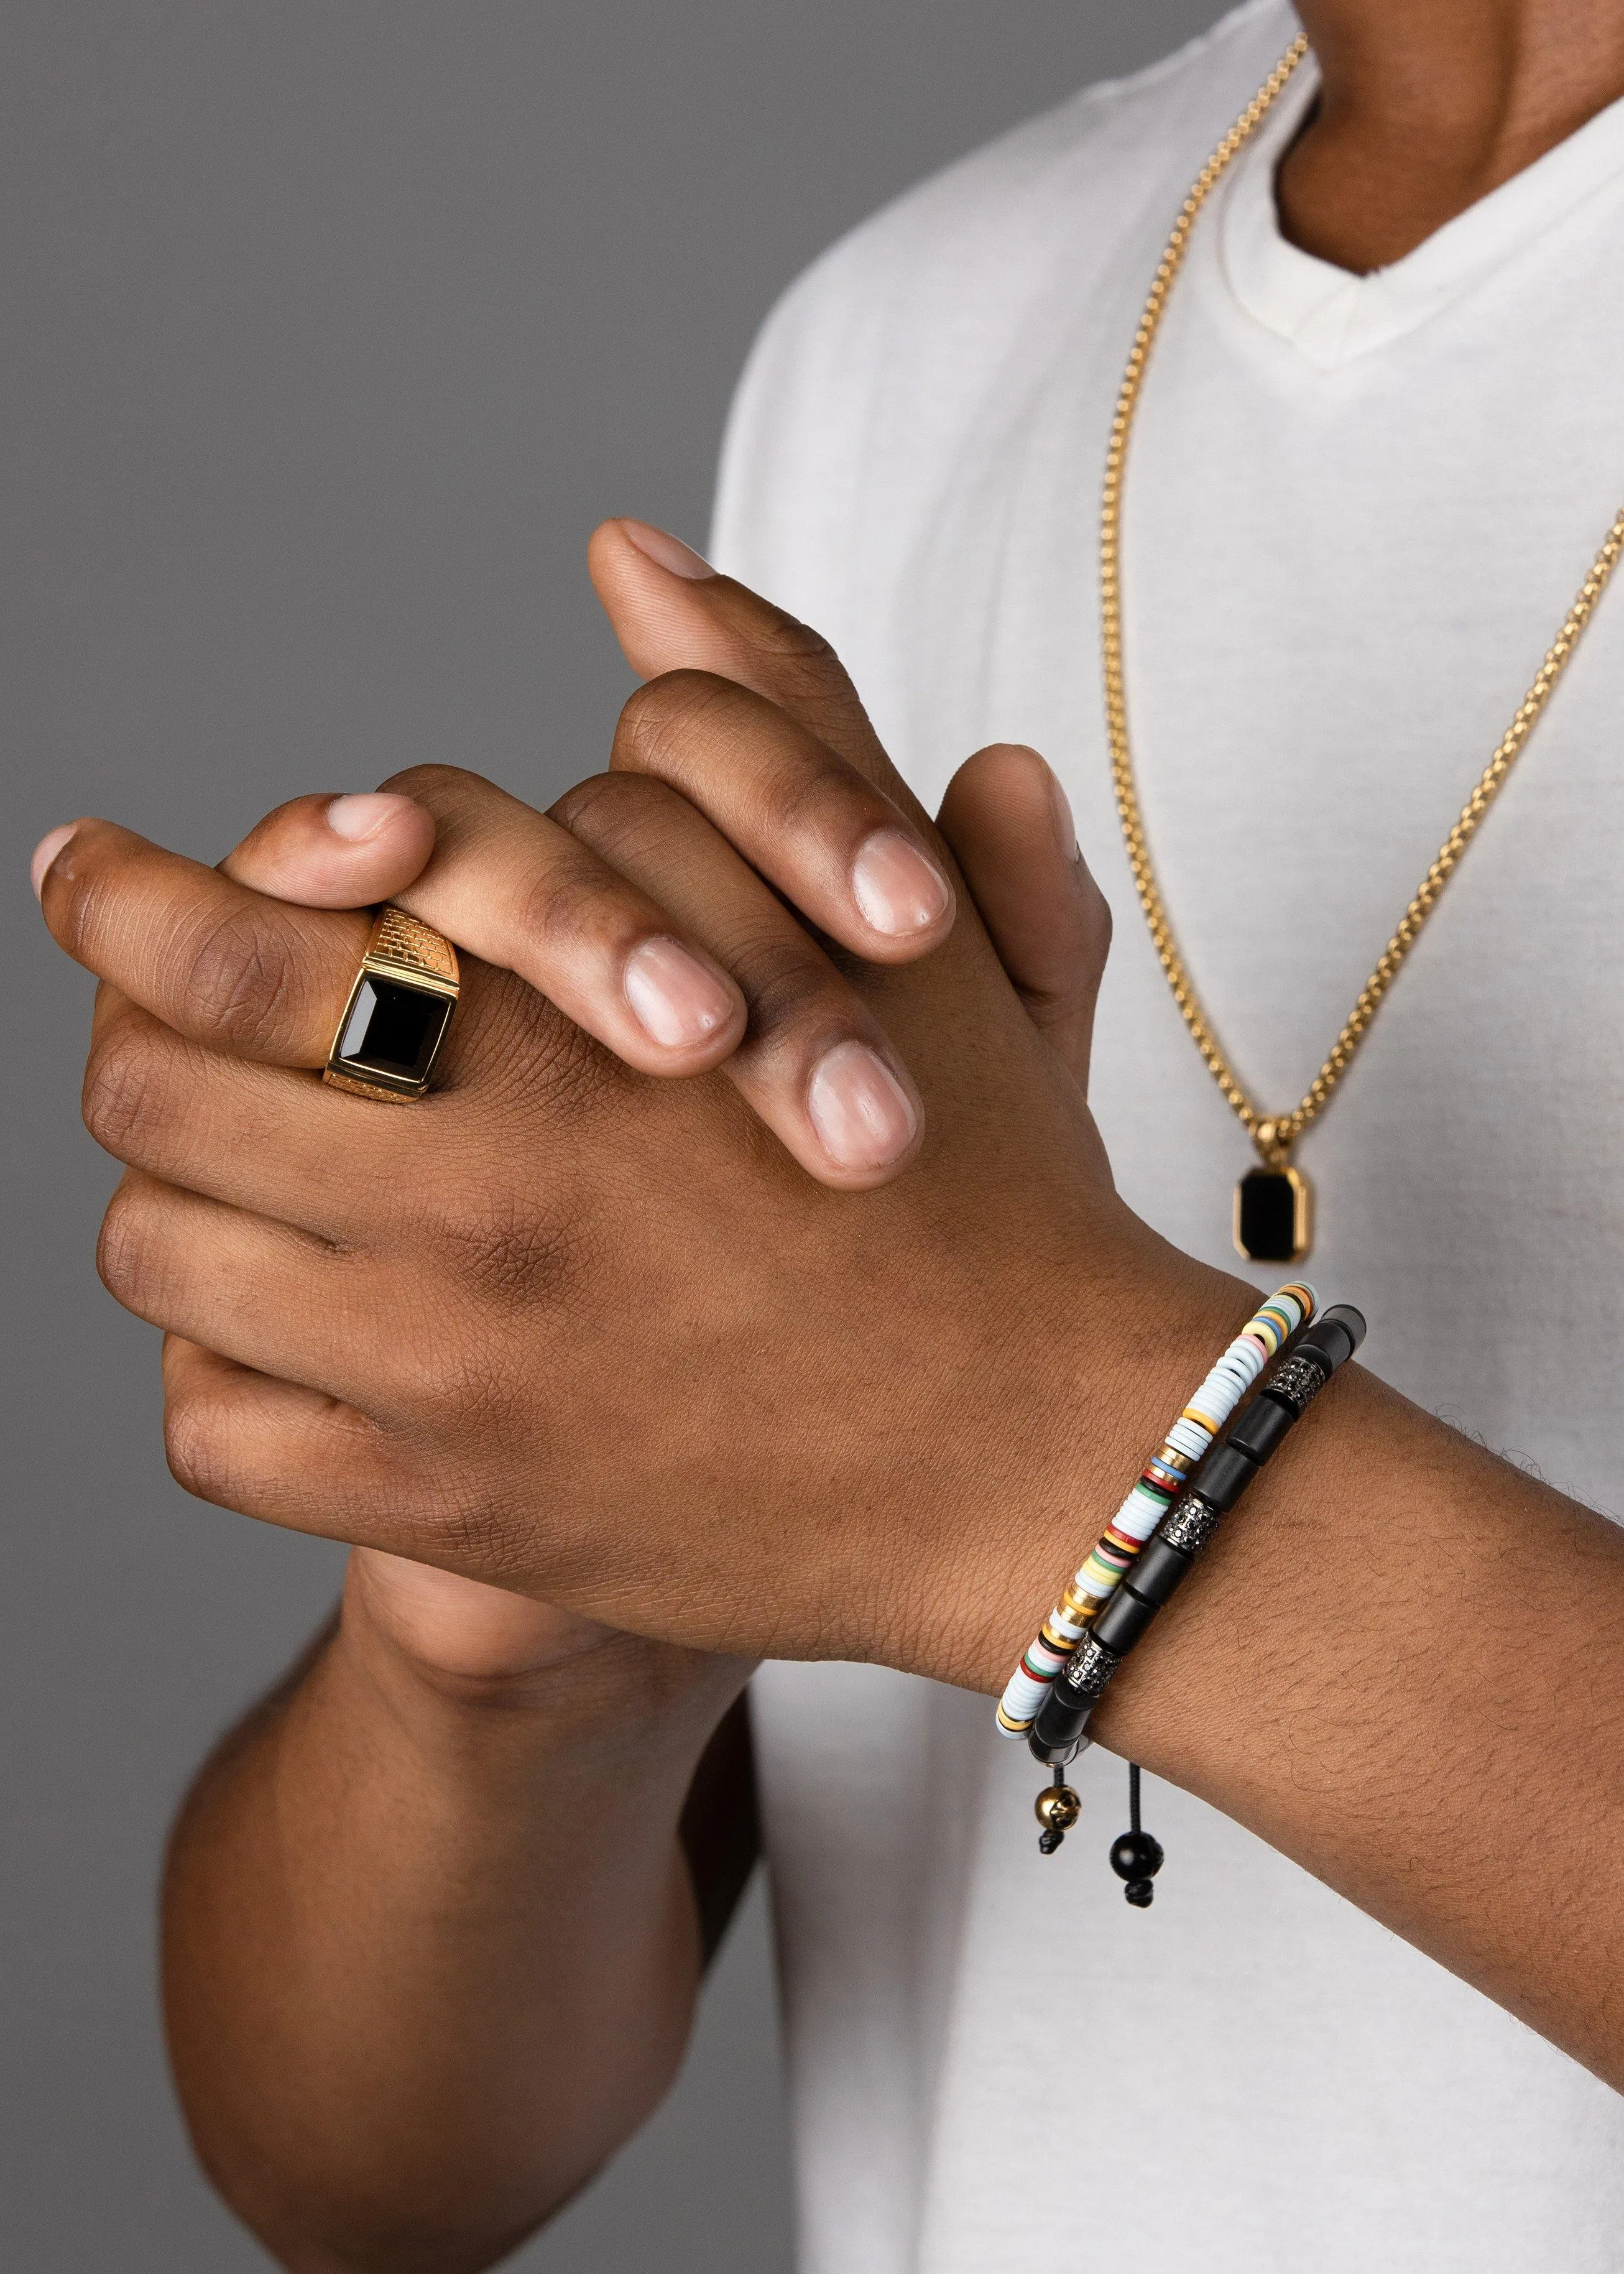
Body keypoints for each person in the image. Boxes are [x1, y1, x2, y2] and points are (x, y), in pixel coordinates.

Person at [30, 0, 1624, 2265]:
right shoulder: (930, 319)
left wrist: (1044, 1446)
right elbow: (370, 2184)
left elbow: (1000, 1438)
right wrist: (517, 1639)